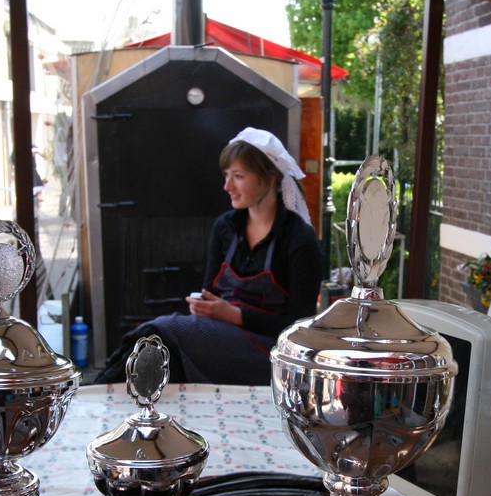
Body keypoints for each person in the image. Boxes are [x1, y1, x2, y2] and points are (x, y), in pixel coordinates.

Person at [97, 127, 323, 386]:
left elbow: (301, 327)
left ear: (270, 178)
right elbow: (210, 292)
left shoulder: (299, 239)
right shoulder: (226, 228)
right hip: (223, 337)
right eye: (226, 175)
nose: (227, 186)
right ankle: (100, 392)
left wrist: (235, 315)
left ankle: (94, 393)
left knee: (161, 331)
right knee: (158, 346)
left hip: (271, 353)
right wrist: (204, 306)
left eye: (238, 176)